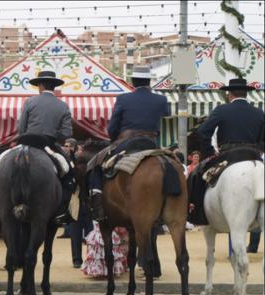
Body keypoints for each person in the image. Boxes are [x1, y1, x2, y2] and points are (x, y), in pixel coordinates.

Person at [87, 66, 171, 222]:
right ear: (149, 82)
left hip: (126, 142)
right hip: (152, 143)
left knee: (96, 164)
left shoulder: (123, 98)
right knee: (172, 165)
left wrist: (113, 140)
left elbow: (113, 126)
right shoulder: (161, 99)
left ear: (133, 82)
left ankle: (97, 207)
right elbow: (166, 115)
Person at [188, 78, 264, 225]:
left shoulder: (222, 110)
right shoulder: (258, 112)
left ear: (230, 94)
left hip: (228, 154)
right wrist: (259, 149)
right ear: (246, 94)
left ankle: (198, 214)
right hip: (253, 155)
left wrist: (209, 153)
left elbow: (203, 131)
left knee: (196, 174)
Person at [18, 70, 75, 222]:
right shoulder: (63, 106)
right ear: (54, 86)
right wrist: (54, 135)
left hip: (27, 143)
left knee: (1, 163)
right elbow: (67, 132)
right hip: (49, 145)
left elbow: (21, 129)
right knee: (69, 173)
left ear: (40, 85)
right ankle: (62, 211)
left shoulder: (29, 102)